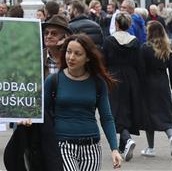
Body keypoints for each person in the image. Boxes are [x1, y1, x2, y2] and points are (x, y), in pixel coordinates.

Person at [44, 34, 123, 170]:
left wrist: (114, 149)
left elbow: (106, 117)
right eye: (68, 52)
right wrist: (26, 119)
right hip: (63, 145)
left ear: (87, 58)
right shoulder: (53, 80)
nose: (71, 57)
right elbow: (41, 112)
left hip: (92, 148)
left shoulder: (98, 83)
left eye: (77, 53)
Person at [104, 12, 145, 162]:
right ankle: (125, 143)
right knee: (127, 109)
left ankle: (126, 140)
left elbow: (104, 61)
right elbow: (139, 63)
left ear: (116, 24)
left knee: (115, 109)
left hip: (114, 76)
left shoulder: (109, 41)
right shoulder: (135, 41)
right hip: (131, 77)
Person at [140, 20, 172, 158]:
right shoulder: (168, 48)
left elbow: (141, 70)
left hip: (148, 85)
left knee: (150, 116)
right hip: (163, 84)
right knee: (164, 114)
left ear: (150, 32)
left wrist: (139, 88)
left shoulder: (144, 48)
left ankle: (151, 148)